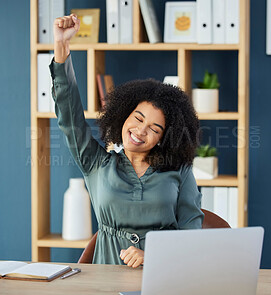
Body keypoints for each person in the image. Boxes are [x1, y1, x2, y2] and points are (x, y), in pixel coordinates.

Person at [51, 14, 204, 268]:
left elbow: (192, 235)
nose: (141, 131)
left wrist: (154, 256)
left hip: (162, 278)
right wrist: (62, 46)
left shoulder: (180, 170)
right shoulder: (95, 164)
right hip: (106, 281)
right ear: (123, 116)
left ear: (164, 137)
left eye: (154, 128)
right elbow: (70, 118)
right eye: (138, 118)